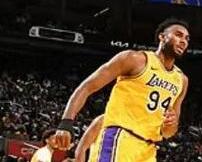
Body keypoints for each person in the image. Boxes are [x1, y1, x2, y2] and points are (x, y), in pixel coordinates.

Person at [52, 18, 190, 162]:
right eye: (178, 35)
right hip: (119, 138)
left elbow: (168, 132)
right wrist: (66, 123)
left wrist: (171, 125)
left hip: (149, 149)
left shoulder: (181, 80)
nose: (183, 41)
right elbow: (87, 87)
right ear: (162, 37)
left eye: (187, 38)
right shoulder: (134, 59)